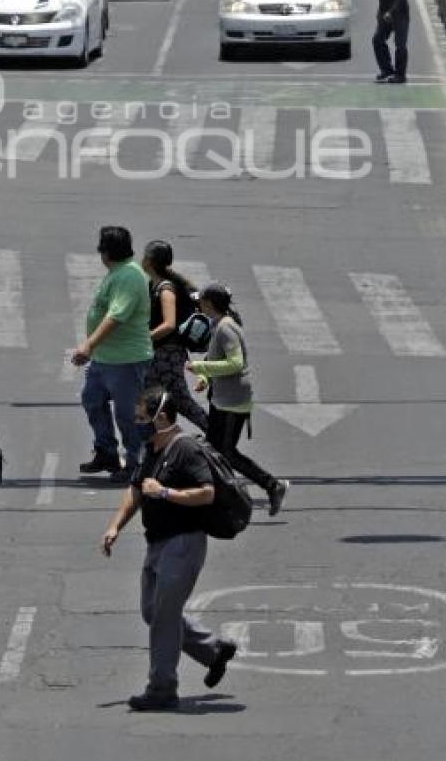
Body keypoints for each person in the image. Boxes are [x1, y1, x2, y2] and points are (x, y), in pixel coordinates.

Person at [101, 387, 239, 711]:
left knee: (163, 617)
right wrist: (114, 527)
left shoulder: (186, 449)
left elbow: (207, 493)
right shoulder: (153, 448)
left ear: (161, 417)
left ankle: (162, 687)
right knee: (153, 611)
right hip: (157, 544)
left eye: (141, 418)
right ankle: (213, 650)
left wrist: (165, 493)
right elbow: (136, 489)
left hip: (183, 544)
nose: (137, 423)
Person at [187, 282, 289, 518]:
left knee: (227, 453)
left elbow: (235, 363)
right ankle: (217, 500)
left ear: (209, 304)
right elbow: (214, 357)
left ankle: (272, 486)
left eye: (200, 301)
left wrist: (201, 366)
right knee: (214, 452)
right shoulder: (218, 325)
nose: (198, 305)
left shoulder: (226, 328)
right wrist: (204, 376)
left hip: (233, 400)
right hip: (221, 397)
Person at [71, 226, 153, 481]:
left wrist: (89, 344)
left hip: (126, 360)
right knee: (92, 400)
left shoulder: (129, 276)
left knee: (127, 414)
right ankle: (106, 451)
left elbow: (117, 316)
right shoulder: (118, 272)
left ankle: (136, 463)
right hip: (106, 359)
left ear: (106, 252)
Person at [141, 240, 208, 433]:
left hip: (167, 354)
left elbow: (169, 325)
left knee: (177, 402)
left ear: (150, 261)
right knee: (153, 401)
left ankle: (217, 437)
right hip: (163, 354)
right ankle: (152, 446)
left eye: (145, 256)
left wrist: (146, 339)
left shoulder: (165, 289)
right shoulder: (154, 285)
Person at [372, 0, 409, 84]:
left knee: (400, 45)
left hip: (400, 15)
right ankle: (386, 69)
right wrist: (380, 13)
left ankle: (400, 75)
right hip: (385, 14)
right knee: (377, 40)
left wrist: (390, 12)